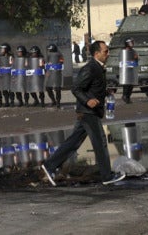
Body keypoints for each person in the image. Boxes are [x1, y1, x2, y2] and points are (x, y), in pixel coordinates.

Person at [41, 40, 126, 186]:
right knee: (100, 142)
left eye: (108, 51)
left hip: (89, 111)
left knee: (73, 142)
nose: (108, 54)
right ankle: (106, 176)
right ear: (96, 53)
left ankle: (49, 166)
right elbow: (76, 88)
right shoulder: (90, 68)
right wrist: (88, 101)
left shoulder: (98, 67)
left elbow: (92, 87)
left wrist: (106, 92)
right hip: (88, 112)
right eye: (105, 51)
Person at [45, 43, 64, 108]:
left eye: (50, 50)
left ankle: (58, 102)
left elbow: (61, 62)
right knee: (48, 88)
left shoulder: (59, 54)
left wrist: (57, 65)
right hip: (50, 74)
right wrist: (47, 71)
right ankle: (53, 101)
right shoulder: (48, 55)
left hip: (57, 73)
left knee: (58, 88)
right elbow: (46, 63)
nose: (49, 51)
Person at [121, 37, 138, 104]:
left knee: (131, 84)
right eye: (131, 42)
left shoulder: (133, 51)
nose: (132, 44)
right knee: (126, 84)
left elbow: (136, 58)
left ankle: (128, 97)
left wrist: (136, 58)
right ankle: (125, 95)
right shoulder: (124, 51)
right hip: (126, 69)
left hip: (132, 68)